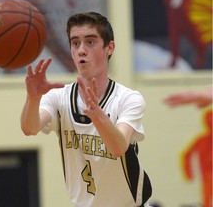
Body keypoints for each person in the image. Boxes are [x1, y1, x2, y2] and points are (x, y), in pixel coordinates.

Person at [21, 12, 152, 207]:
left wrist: (97, 115)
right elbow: (29, 128)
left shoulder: (128, 99)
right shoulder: (59, 97)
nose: (81, 50)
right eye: (75, 43)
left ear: (109, 48)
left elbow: (118, 147)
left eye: (90, 42)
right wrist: (33, 99)